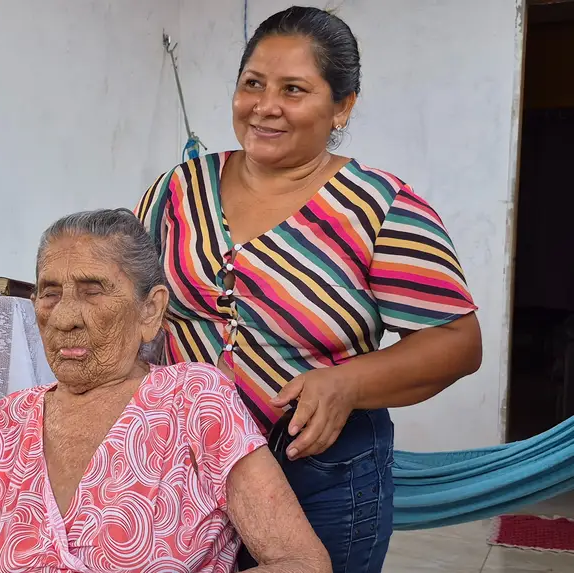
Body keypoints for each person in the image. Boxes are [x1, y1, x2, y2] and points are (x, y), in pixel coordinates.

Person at [135, 7, 482, 572]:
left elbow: (457, 342)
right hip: (186, 467)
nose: (265, 106)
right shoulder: (177, 189)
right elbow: (135, 302)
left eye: (293, 90)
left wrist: (344, 384)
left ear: (341, 106)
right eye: (253, 84)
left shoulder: (379, 207)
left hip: (318, 474)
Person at [0, 209, 332, 573]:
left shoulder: (194, 400)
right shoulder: (8, 419)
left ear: (149, 310)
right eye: (50, 293)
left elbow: (301, 562)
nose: (64, 319)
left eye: (92, 291)